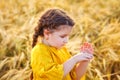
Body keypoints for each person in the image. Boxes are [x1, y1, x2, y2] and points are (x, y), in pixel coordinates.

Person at [30, 8, 93, 80]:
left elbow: (75, 77)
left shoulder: (62, 50)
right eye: (62, 36)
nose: (66, 41)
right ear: (47, 33)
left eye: (68, 36)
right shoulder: (39, 51)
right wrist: (74, 59)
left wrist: (85, 60)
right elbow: (51, 76)